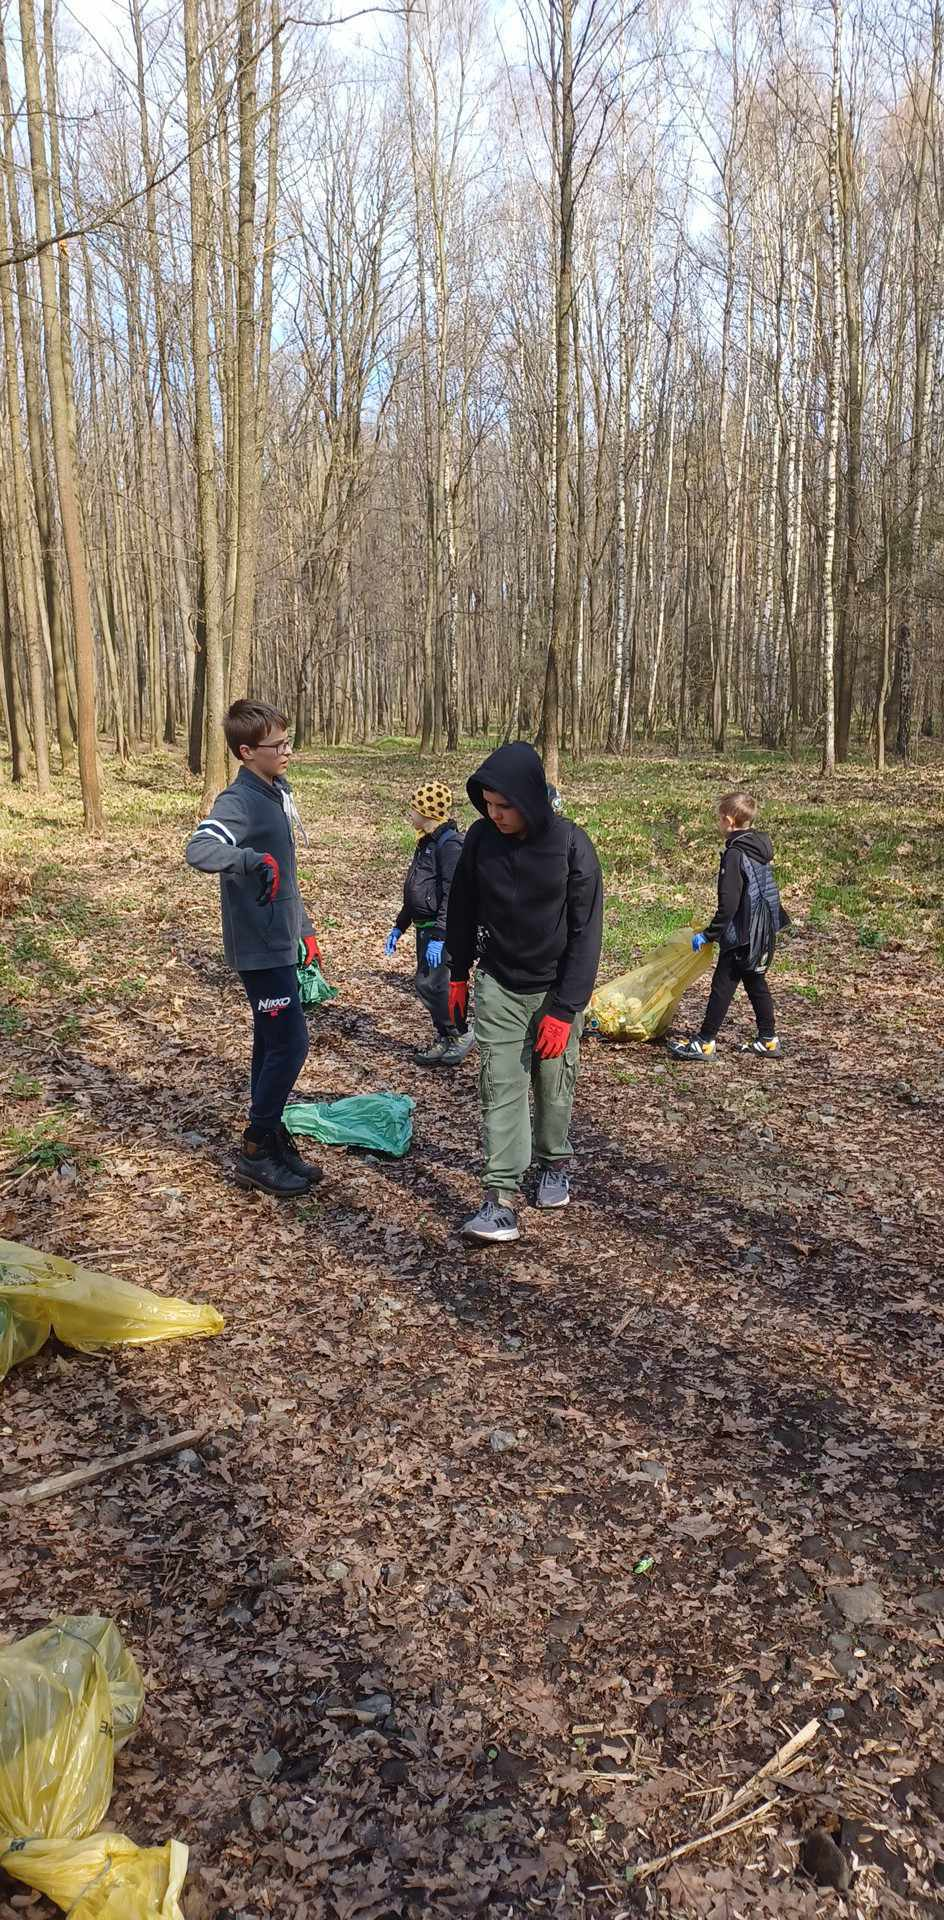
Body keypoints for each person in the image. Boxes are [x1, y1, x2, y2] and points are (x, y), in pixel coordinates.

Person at [445, 742, 603, 1244]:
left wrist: (565, 1007)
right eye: (488, 805)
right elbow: (462, 906)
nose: (496, 815)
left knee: (554, 1087)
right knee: (500, 1085)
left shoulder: (572, 846)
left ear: (531, 798)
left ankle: (554, 1162)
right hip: (499, 985)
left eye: (505, 806)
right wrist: (457, 971)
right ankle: (500, 1200)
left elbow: (586, 931)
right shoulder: (479, 841)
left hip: (555, 988)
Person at [185, 699, 323, 1197]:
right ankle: (256, 1147)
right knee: (291, 1044)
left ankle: (272, 1131)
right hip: (258, 947)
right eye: (277, 745)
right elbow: (199, 848)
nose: (287, 751)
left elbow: (285, 872)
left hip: (281, 939)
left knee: (271, 1043)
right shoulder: (239, 800)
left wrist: (303, 928)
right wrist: (246, 859)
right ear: (247, 752)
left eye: (288, 741)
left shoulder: (274, 792)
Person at [668, 791, 789, 1062]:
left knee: (722, 986)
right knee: (756, 981)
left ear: (729, 820)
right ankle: (768, 1040)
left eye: (719, 819)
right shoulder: (758, 847)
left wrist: (709, 934)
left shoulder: (735, 854)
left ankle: (705, 1042)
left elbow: (729, 904)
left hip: (742, 933)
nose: (718, 824)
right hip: (763, 930)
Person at [383, 780, 472, 1068]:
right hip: (424, 927)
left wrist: (441, 934)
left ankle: (460, 1033)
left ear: (430, 812)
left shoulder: (450, 846)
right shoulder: (425, 843)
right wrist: (400, 925)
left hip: (440, 930)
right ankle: (445, 1035)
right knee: (426, 985)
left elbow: (453, 893)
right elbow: (416, 890)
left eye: (415, 809)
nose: (410, 814)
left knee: (436, 985)